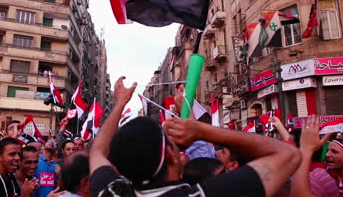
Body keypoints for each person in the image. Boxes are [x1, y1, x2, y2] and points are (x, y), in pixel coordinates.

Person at [90, 76, 301, 197]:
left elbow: (98, 150)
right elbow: (289, 154)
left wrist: (119, 105)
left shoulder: (110, 193)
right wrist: (200, 129)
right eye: (173, 144)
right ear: (172, 156)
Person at [289, 115, 338, 197]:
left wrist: (306, 149)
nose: (285, 147)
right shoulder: (294, 171)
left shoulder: (319, 176)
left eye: (290, 144)